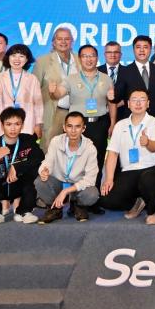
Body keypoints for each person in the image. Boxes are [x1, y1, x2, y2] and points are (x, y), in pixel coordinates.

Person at [55, 45, 116, 213]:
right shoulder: (71, 79)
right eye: (85, 56)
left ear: (97, 58)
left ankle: (92, 200)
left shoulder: (106, 78)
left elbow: (111, 103)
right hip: (78, 127)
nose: (89, 59)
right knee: (76, 163)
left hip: (100, 124)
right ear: (80, 59)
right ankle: (74, 201)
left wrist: (112, 123)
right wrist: (54, 91)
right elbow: (58, 93)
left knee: (96, 162)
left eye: (92, 56)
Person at [99, 89, 155, 224]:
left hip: (153, 168)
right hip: (129, 171)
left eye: (142, 100)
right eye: (134, 100)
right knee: (107, 200)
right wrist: (109, 179)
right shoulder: (120, 125)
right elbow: (113, 153)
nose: (138, 103)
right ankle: (139, 200)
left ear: (148, 104)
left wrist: (148, 143)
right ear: (128, 104)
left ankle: (152, 212)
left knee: (149, 181)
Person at [0, 106, 43, 223]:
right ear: (2, 125)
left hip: (19, 186)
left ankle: (24, 211)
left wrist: (17, 167)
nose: (13, 128)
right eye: (8, 124)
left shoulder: (28, 140)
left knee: (36, 182)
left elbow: (40, 159)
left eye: (17, 124)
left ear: (22, 125)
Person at [37, 111, 100, 223]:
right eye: (70, 126)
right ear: (64, 127)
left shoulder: (90, 148)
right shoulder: (56, 141)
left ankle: (78, 205)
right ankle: (55, 208)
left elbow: (90, 179)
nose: (73, 130)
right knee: (40, 182)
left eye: (77, 126)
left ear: (83, 128)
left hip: (77, 185)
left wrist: (66, 191)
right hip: (58, 182)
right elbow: (47, 162)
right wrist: (44, 171)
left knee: (92, 194)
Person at [0, 44, 44, 139]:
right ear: (8, 57)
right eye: (13, 56)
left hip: (26, 123)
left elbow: (38, 104)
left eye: (21, 56)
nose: (17, 59)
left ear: (27, 59)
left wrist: (38, 124)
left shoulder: (32, 79)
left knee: (24, 147)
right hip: (3, 122)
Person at [33, 27, 78, 145]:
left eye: (67, 39)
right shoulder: (42, 61)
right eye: (59, 39)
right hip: (53, 113)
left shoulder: (80, 60)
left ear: (72, 42)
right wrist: (35, 119)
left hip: (76, 113)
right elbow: (34, 90)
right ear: (53, 42)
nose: (63, 42)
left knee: (74, 149)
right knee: (49, 148)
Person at [114, 35, 155, 125]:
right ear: (133, 50)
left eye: (145, 47)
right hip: (131, 121)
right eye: (138, 47)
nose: (142, 50)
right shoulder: (124, 71)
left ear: (151, 49)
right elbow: (118, 97)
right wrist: (111, 96)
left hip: (154, 121)